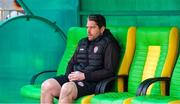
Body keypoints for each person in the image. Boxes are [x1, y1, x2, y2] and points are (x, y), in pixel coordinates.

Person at [41, 14, 121, 104]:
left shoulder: (110, 44)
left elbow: (109, 71)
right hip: (75, 79)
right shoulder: (83, 42)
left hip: (94, 83)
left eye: (92, 28)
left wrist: (84, 76)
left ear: (102, 29)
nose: (88, 31)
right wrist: (69, 77)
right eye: (87, 27)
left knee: (67, 89)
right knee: (46, 85)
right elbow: (71, 63)